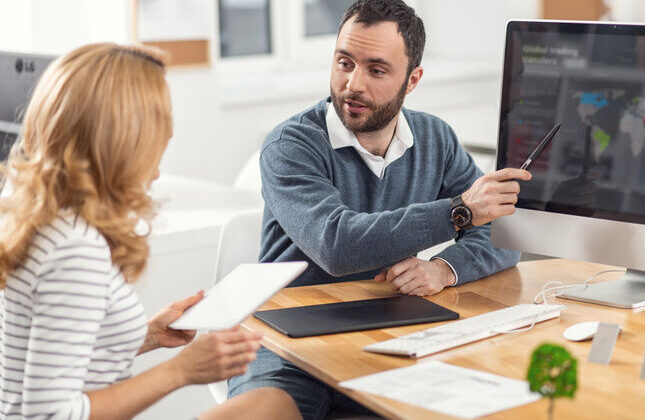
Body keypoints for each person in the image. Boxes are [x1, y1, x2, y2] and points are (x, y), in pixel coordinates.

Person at [228, 1, 531, 418]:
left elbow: (502, 232)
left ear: (412, 80)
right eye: (344, 62)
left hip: (390, 334)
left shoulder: (435, 138)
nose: (353, 84)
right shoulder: (291, 146)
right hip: (288, 345)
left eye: (376, 69)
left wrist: (444, 269)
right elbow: (336, 245)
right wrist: (458, 211)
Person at [0, 43, 300, 420]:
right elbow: (48, 415)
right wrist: (181, 370)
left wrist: (150, 334)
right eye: (158, 133)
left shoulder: (50, 219)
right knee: (272, 406)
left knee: (270, 403)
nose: (160, 158)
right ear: (122, 139)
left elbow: (59, 354)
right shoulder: (76, 249)